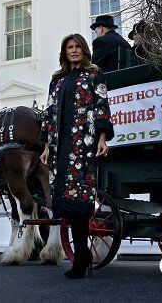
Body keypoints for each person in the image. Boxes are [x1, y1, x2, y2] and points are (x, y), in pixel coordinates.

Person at [40, 33, 114, 279]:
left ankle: (81, 254)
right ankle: (81, 252)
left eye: (77, 47)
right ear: (65, 52)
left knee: (80, 201)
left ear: (84, 50)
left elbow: (101, 106)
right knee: (67, 204)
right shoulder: (57, 81)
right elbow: (50, 114)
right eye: (69, 47)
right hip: (60, 149)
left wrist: (102, 138)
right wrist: (47, 146)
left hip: (83, 146)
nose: (73, 51)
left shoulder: (94, 75)